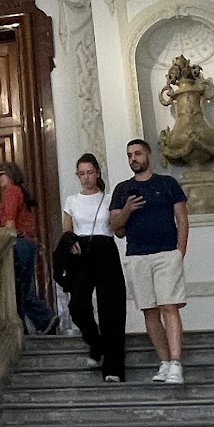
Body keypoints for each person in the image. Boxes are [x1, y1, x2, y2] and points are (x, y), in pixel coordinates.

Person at [109, 138, 190, 383]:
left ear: (148, 155)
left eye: (137, 154)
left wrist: (179, 252)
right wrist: (127, 210)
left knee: (169, 307)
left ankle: (176, 362)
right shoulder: (122, 189)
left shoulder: (167, 183)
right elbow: (115, 226)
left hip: (166, 253)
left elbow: (182, 219)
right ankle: (164, 362)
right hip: (137, 255)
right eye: (129, 155)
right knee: (150, 311)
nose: (133, 158)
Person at [59, 152, 126, 382]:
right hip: (81, 253)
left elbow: (118, 229)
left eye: (89, 173)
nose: (86, 178)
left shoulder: (109, 199)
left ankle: (114, 367)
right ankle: (96, 342)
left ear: (97, 172)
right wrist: (71, 244)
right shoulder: (71, 201)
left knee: (111, 308)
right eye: (81, 174)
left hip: (105, 249)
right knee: (77, 304)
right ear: (77, 175)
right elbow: (66, 231)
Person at [0, 161, 58, 334]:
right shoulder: (19, 192)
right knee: (21, 287)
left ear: (9, 174)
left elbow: (9, 222)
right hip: (26, 244)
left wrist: (7, 242)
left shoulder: (11, 192)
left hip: (18, 244)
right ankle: (31, 324)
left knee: (18, 288)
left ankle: (44, 318)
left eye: (1, 175)